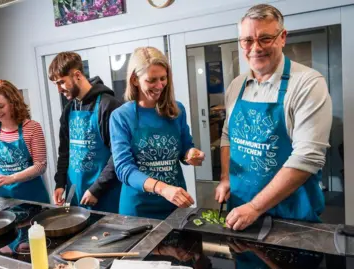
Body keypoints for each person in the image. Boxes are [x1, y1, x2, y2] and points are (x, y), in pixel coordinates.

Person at [215, 4, 332, 231]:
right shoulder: (236, 85)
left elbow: (307, 158)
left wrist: (256, 207)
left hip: (291, 214)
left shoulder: (307, 83)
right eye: (247, 40)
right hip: (240, 209)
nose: (255, 48)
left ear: (282, 38)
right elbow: (228, 135)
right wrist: (225, 178)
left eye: (265, 38)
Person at [110, 47, 205, 219]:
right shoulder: (121, 116)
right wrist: (163, 188)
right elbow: (124, 168)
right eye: (152, 80)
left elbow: (186, 149)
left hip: (175, 203)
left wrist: (191, 154)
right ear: (135, 80)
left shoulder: (177, 110)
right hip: (138, 207)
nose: (159, 86)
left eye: (163, 78)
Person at [49, 51, 122, 213]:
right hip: (76, 192)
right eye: (56, 84)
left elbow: (118, 155)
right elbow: (64, 151)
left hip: (105, 192)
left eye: (61, 82)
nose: (59, 90)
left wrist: (96, 189)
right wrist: (60, 183)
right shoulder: (69, 109)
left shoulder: (108, 105)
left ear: (77, 75)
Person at [0, 80, 50, 203]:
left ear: (13, 103)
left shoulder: (32, 128)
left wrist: (11, 178)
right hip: (1, 200)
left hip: (31, 198)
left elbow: (40, 166)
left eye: (1, 106)